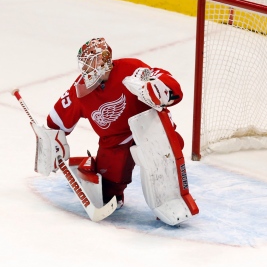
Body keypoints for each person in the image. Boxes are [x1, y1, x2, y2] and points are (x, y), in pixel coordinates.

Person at [46, 37, 183, 209]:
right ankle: (96, 170)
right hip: (115, 140)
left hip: (149, 127)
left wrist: (158, 87)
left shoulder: (131, 68)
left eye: (91, 61)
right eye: (85, 63)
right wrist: (52, 140)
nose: (86, 68)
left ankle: (173, 196)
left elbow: (168, 83)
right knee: (108, 193)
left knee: (166, 156)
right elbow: (57, 118)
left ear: (104, 59)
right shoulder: (81, 89)